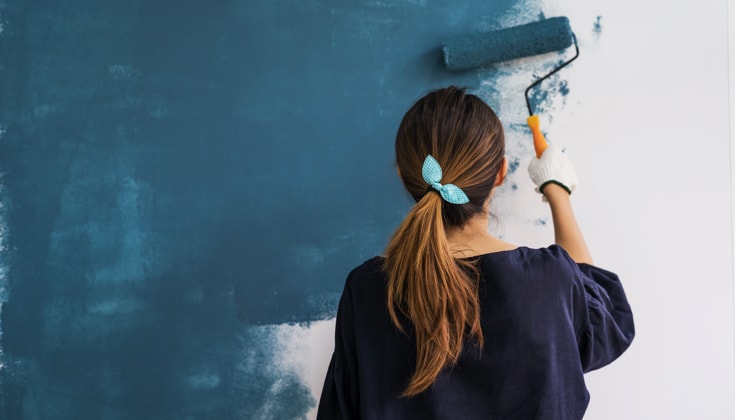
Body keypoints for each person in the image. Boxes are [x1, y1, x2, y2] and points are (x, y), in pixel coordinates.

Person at [316, 86, 634, 419]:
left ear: (403, 175)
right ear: (501, 172)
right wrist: (557, 190)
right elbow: (603, 318)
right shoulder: (548, 281)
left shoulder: (367, 289)